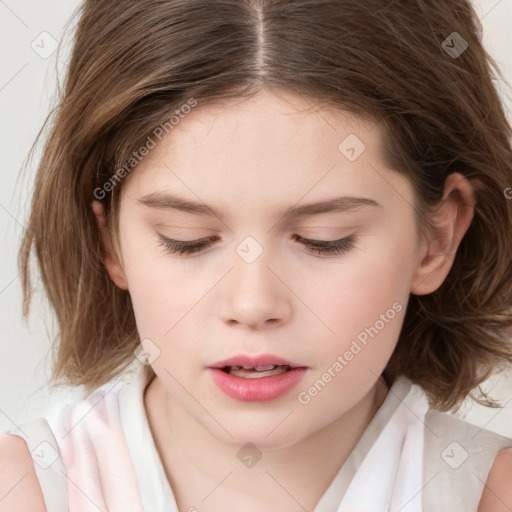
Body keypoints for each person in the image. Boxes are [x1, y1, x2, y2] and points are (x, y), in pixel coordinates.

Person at [1, 0, 512, 510]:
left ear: (437, 238)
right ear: (110, 241)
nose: (251, 304)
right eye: (187, 239)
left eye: (324, 238)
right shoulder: (25, 489)